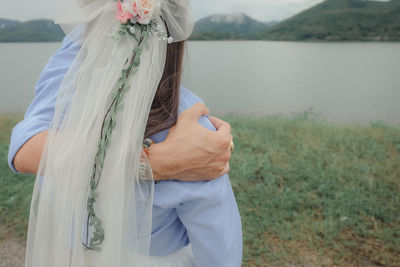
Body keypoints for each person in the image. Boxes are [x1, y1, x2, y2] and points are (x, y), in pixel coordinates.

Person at [8, 0, 243, 266]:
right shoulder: (193, 134)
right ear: (177, 37)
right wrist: (150, 163)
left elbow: (23, 141)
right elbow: (220, 247)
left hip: (70, 250)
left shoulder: (70, 95)